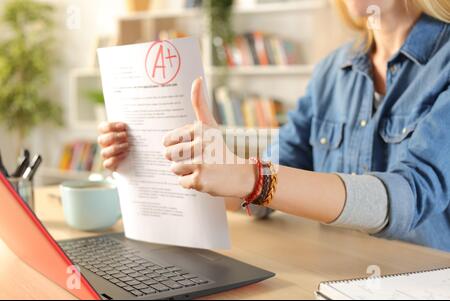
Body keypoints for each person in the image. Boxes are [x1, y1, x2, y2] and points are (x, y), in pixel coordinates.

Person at [98, 0, 450, 251]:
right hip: (330, 274)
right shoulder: (331, 71)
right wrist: (165, 162)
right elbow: (263, 197)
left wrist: (252, 177)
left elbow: (411, 194)